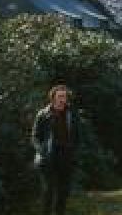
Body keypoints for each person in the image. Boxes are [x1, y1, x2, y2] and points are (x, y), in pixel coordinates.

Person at [31, 84, 80, 215]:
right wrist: (42, 151)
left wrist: (75, 151)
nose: (62, 99)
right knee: (48, 190)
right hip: (48, 156)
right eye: (59, 96)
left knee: (63, 191)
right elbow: (35, 137)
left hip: (66, 155)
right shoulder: (43, 114)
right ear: (53, 98)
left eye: (64, 96)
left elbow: (78, 135)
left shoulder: (72, 113)